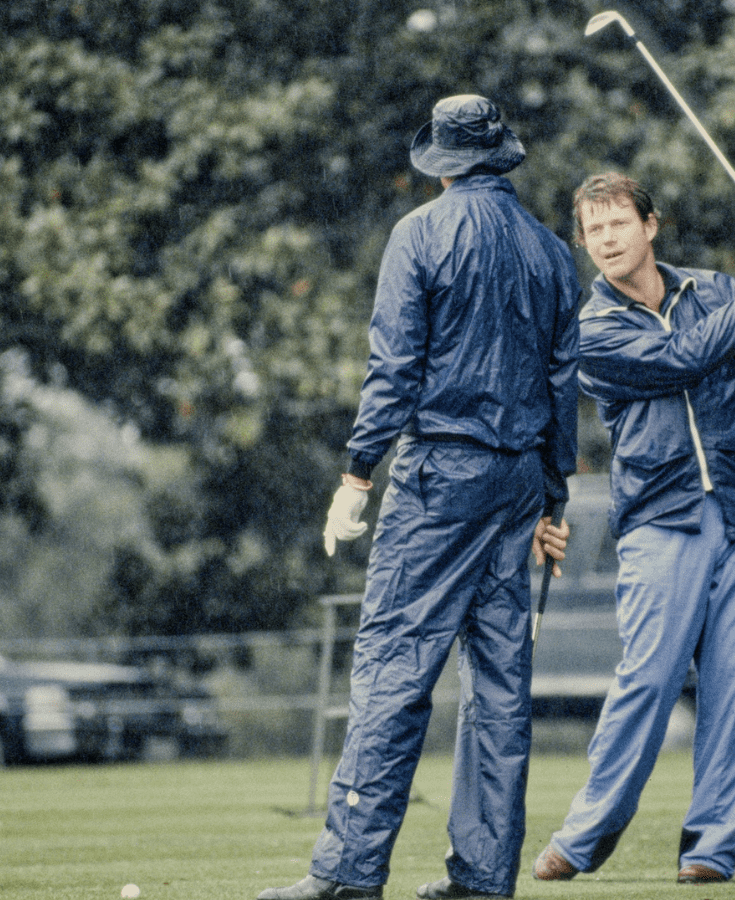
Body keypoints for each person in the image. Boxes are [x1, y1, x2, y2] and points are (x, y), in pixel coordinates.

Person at [257, 95, 580, 900]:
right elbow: (562, 384)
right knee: (499, 687)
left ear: (442, 165)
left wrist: (357, 474)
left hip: (441, 475)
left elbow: (394, 368)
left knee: (394, 668)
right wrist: (554, 499)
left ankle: (348, 874)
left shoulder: (420, 234)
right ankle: (483, 880)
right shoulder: (550, 251)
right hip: (519, 484)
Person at [531, 172, 735, 886]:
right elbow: (680, 360)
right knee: (650, 677)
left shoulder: (714, 291)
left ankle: (709, 852)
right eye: (594, 230)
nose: (607, 239)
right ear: (583, 243)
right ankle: (586, 834)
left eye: (618, 224)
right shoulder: (592, 329)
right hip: (661, 519)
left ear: (650, 225)